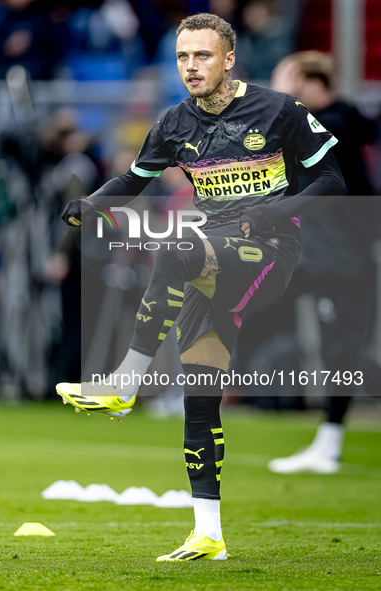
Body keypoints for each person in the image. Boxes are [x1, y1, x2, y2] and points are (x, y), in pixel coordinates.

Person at [55, 12, 345, 561]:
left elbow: (334, 179)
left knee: (176, 246)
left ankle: (124, 382)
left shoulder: (279, 110)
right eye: (184, 57)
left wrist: (274, 213)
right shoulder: (174, 123)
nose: (192, 66)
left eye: (204, 56)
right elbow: (134, 180)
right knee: (199, 401)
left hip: (269, 253)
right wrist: (94, 203)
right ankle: (208, 533)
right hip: (210, 260)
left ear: (229, 59)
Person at [266, 51, 381, 474]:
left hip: (340, 257)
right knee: (342, 349)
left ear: (307, 80)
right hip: (327, 254)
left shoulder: (330, 124)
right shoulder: (342, 119)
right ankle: (327, 442)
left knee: (344, 350)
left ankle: (328, 446)